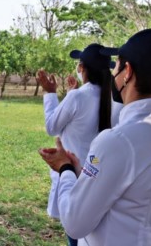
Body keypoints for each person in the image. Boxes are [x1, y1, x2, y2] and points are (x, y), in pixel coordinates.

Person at [39, 29, 151, 246]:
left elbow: (74, 222)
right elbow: (131, 189)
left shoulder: (118, 140)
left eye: (117, 65)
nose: (114, 73)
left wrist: (65, 169)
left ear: (127, 71)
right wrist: (81, 170)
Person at [37, 43, 113, 246]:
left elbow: (52, 127)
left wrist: (51, 93)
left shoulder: (78, 96)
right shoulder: (113, 97)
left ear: (83, 68)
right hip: (101, 176)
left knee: (75, 232)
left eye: (79, 65)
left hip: (75, 173)